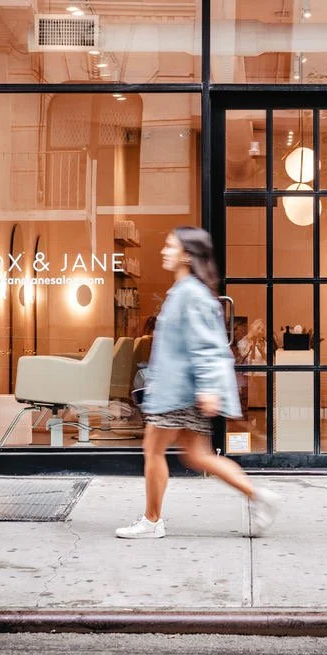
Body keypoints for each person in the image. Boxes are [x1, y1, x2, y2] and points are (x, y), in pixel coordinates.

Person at [115, 227, 279, 540]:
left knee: (153, 450)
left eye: (170, 246)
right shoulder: (184, 291)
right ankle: (259, 497)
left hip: (179, 392)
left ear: (187, 255)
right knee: (198, 455)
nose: (163, 251)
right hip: (181, 390)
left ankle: (152, 521)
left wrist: (207, 388)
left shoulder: (190, 293)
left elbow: (207, 345)